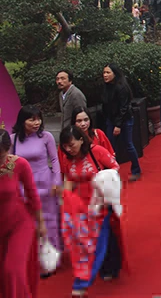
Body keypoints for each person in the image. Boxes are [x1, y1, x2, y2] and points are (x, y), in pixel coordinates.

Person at [60, 126, 127, 295]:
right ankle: (108, 266)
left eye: (71, 145)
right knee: (85, 242)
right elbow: (69, 179)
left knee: (98, 241)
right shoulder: (68, 158)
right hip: (80, 206)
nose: (68, 149)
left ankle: (82, 284)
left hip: (100, 204)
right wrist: (65, 199)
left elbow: (115, 168)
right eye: (65, 146)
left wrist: (106, 185)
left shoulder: (97, 151)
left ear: (81, 140)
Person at [10, 106, 61, 272]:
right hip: (24, 188)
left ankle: (51, 260)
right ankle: (34, 259)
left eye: (38, 119)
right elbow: (9, 164)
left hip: (46, 184)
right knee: (29, 224)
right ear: (22, 121)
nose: (36, 122)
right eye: (31, 119)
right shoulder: (13, 140)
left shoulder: (46, 137)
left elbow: (55, 159)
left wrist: (57, 181)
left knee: (50, 222)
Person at [0, 128, 45, 298]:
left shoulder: (20, 164)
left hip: (20, 224)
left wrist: (41, 223)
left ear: (8, 149)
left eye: (1, 156)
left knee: (12, 270)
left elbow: (32, 194)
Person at [101, 64, 141, 181]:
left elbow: (124, 107)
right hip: (111, 119)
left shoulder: (122, 87)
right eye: (104, 73)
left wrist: (118, 125)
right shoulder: (105, 87)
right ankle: (112, 172)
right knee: (110, 146)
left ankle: (136, 170)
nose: (105, 75)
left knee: (128, 144)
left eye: (108, 72)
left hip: (125, 119)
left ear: (115, 73)